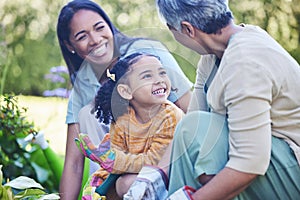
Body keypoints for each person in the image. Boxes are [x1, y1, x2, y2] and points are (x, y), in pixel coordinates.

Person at [125, 0, 300, 199]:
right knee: (193, 127)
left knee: (196, 130)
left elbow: (250, 162)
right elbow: (190, 127)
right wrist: (155, 175)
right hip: (269, 161)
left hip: (290, 165)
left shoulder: (244, 61)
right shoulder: (212, 56)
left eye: (172, 30)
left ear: (187, 29)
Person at [56, 0, 192, 199]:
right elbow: (74, 164)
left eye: (99, 27)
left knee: (129, 184)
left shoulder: (147, 52)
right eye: (82, 36)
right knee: (88, 113)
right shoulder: (83, 84)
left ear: (109, 26)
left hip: (165, 160)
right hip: (125, 166)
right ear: (70, 45)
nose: (95, 40)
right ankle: (102, 193)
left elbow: (191, 109)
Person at [75, 52, 184, 199]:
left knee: (127, 184)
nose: (159, 80)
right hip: (136, 175)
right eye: (147, 76)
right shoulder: (122, 120)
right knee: (115, 186)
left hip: (170, 178)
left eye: (162, 73)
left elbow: (155, 162)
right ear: (126, 91)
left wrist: (114, 161)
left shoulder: (170, 116)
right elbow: (114, 166)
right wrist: (96, 186)